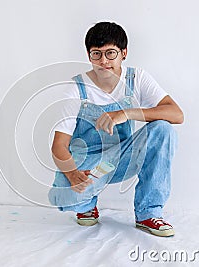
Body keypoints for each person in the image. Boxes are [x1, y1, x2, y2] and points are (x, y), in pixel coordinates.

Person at [48, 21, 183, 237]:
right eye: (96, 54)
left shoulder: (137, 78)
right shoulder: (76, 88)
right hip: (88, 164)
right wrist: (72, 174)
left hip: (121, 158)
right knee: (69, 196)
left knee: (163, 129)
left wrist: (127, 113)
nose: (103, 61)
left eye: (111, 53)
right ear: (88, 55)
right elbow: (59, 146)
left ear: (124, 53)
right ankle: (86, 205)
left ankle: (148, 213)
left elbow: (176, 114)